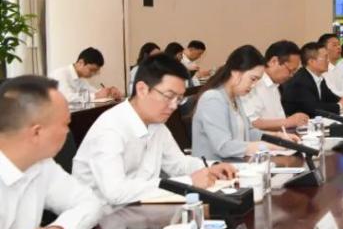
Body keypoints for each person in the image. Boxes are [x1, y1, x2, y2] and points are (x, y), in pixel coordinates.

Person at [72, 54, 236, 206]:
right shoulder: (110, 128)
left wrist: (212, 166)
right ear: (142, 89)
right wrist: (189, 182)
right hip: (101, 216)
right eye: (169, 96)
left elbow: (178, 164)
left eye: (179, 99)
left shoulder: (156, 124)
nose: (174, 106)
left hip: (137, 208)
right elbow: (115, 192)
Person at [1, 76, 105, 229]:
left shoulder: (41, 164)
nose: (68, 132)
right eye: (65, 124)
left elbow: (89, 202)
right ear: (37, 132)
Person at [192, 45, 297, 161]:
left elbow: (249, 132)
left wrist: (277, 137)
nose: (254, 85)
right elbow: (223, 146)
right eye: (253, 79)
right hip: (213, 168)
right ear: (236, 73)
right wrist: (267, 146)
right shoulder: (212, 99)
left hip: (236, 164)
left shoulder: (235, 98)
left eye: (257, 81)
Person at [241, 40, 310, 131]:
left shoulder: (275, 85)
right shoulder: (253, 84)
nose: (291, 75)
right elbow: (252, 123)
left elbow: (276, 118)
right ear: (273, 61)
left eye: (294, 72)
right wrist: (288, 121)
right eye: (290, 70)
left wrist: (294, 120)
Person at [280, 42, 343, 118]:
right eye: (325, 57)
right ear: (311, 62)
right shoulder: (300, 81)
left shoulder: (319, 78)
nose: (328, 61)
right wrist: (339, 106)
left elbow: (332, 98)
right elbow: (314, 109)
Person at [49, 47, 122, 103]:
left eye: (96, 71)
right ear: (81, 63)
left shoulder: (80, 78)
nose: (94, 74)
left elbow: (93, 91)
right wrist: (96, 96)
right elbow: (67, 98)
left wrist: (109, 91)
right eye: (92, 70)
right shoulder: (60, 74)